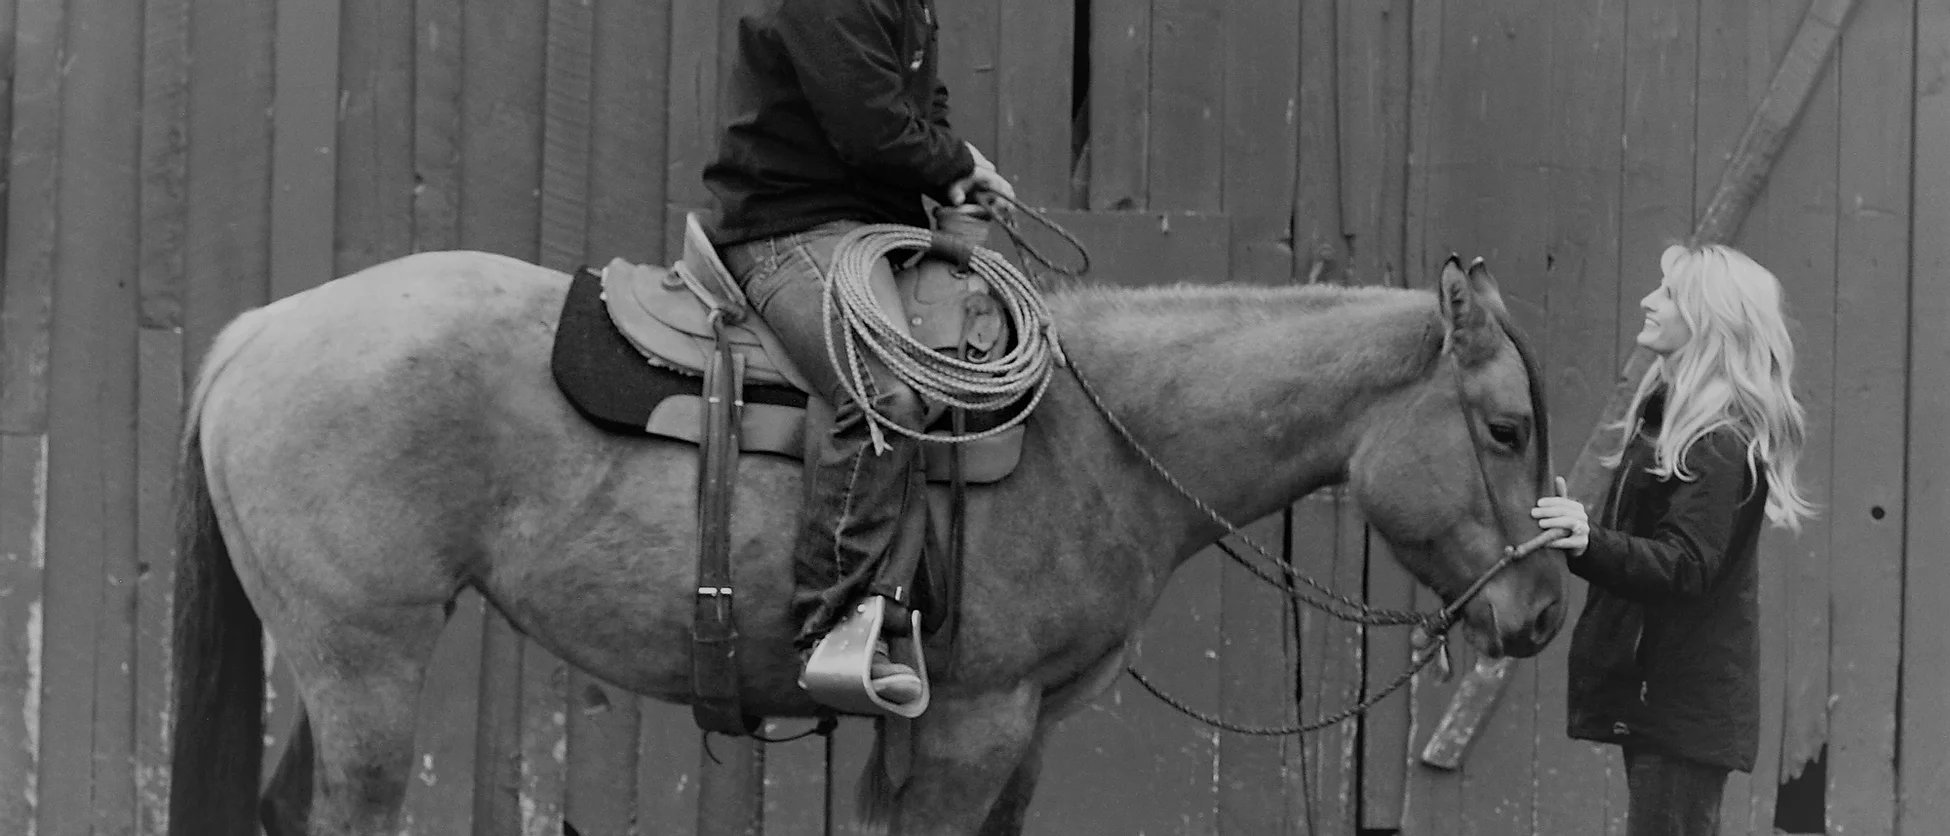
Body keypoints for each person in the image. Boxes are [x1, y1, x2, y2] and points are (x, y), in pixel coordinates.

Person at [701, 0, 1015, 706]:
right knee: (886, 391)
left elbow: (916, 102)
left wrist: (953, 173)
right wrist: (958, 161)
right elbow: (869, 129)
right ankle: (833, 624)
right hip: (793, 229)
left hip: (869, 229)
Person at [1532, 243, 1816, 835]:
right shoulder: (1674, 424)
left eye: (1667, 294)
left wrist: (1590, 543)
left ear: (1706, 318)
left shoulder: (1717, 442)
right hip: (1665, 700)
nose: (1648, 301)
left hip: (1682, 707)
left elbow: (1687, 565)